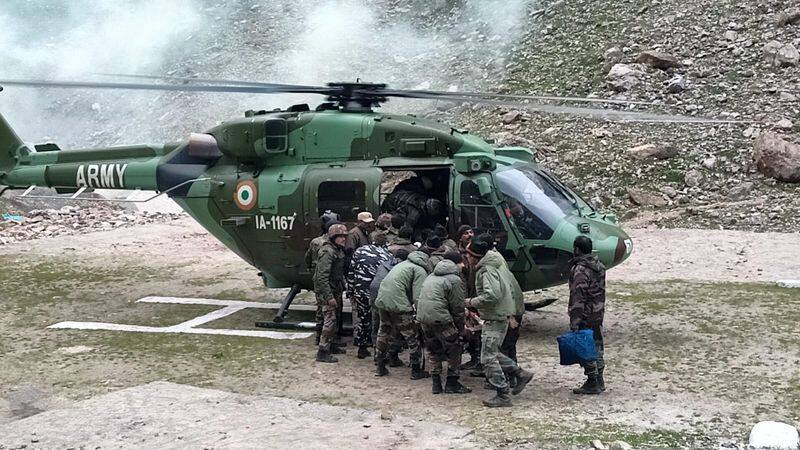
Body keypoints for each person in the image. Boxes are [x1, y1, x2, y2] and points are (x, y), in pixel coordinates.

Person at [464, 234, 533, 407]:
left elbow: (492, 295)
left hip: (495, 316)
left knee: (487, 358)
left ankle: (502, 393)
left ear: (475, 256)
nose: (467, 258)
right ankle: (519, 373)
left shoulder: (486, 271)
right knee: (492, 353)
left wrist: (471, 302)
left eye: (469, 255)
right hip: (499, 314)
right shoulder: (495, 262)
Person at [416, 252, 472, 395]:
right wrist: (461, 329)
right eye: (462, 263)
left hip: (423, 318)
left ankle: (436, 383)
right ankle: (452, 383)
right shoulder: (455, 279)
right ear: (457, 264)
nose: (464, 266)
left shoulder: (431, 276)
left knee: (433, 349)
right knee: (454, 348)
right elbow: (457, 307)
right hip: (441, 319)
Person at [373, 249, 431, 379]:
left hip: (382, 300)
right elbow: (418, 296)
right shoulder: (419, 270)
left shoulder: (403, 264)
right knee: (412, 336)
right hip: (398, 304)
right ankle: (416, 370)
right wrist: (419, 313)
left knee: (384, 331)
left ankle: (380, 365)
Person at [568, 235, 607, 395]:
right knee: (597, 345)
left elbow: (579, 296)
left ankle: (592, 381)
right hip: (597, 312)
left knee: (586, 348)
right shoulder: (599, 266)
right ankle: (599, 379)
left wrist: (575, 320)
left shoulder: (580, 270)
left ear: (577, 249)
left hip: (585, 314)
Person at [346, 233, 392, 359]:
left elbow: (351, 271)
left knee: (363, 318)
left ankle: (362, 347)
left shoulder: (359, 251)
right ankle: (378, 350)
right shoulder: (386, 255)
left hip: (360, 290)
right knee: (378, 321)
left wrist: (350, 290)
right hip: (375, 292)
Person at [313, 223, 349, 363]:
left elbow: (338, 273)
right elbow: (321, 277)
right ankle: (322, 351)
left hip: (336, 289)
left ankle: (332, 345)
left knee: (336, 319)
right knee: (330, 320)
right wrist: (329, 297)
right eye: (340, 237)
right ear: (333, 237)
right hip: (327, 292)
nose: (343, 239)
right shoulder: (328, 252)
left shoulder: (338, 250)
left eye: (344, 236)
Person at [306, 214, 341, 345]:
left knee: (321, 312)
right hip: (325, 283)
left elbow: (307, 258)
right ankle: (324, 345)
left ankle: (319, 338)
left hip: (323, 281)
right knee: (329, 314)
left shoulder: (316, 242)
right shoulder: (328, 249)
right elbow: (323, 274)